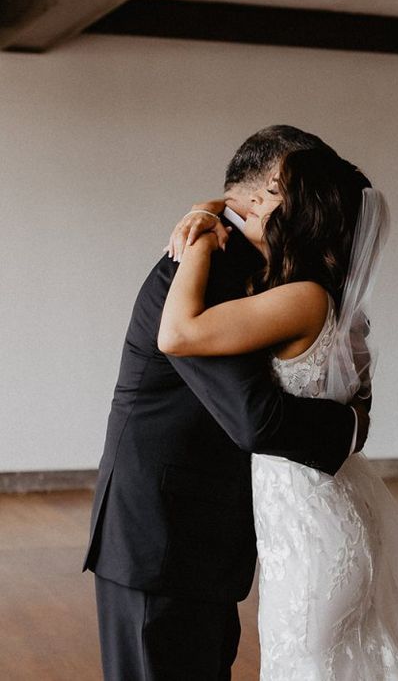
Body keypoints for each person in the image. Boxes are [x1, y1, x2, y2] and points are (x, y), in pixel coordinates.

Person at [162, 144, 398, 680]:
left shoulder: (302, 298)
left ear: (302, 215)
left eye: (274, 194)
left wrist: (197, 240)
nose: (256, 201)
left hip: (313, 531)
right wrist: (209, 206)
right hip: (318, 513)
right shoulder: (321, 296)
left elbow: (177, 334)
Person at [84, 126, 367, 681]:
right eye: (302, 194)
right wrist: (351, 426)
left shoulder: (248, 260)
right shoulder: (205, 264)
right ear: (261, 195)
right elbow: (253, 418)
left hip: (204, 537)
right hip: (162, 538)